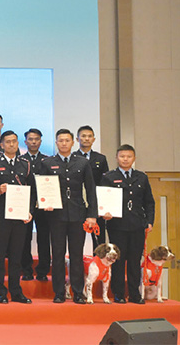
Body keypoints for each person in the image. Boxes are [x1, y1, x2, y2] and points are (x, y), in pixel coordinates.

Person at [38, 129, 97, 304]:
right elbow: (42, 186)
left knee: (76, 255)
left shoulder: (83, 163)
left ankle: (78, 292)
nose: (64, 143)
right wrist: (44, 203)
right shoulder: (48, 163)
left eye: (67, 140)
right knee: (57, 255)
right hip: (56, 215)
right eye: (60, 140)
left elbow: (91, 189)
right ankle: (59, 292)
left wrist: (92, 215)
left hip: (78, 214)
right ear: (56, 143)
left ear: (73, 142)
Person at [100, 144, 154, 304]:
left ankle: (134, 294)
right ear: (117, 158)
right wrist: (105, 214)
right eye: (122, 156)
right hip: (117, 225)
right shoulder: (108, 177)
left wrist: (149, 221)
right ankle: (118, 294)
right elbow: (103, 200)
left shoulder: (141, 177)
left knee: (134, 260)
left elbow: (149, 202)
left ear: (134, 158)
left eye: (129, 156)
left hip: (137, 224)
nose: (125, 159)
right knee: (117, 260)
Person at [0, 131, 34, 304]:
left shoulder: (25, 164)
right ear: (2, 145)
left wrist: (30, 210)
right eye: (8, 142)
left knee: (16, 255)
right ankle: (0, 292)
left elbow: (32, 191)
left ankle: (16, 291)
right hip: (0, 215)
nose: (11, 144)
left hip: (20, 216)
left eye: (14, 141)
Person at [21, 128, 49, 281]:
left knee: (44, 238)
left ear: (40, 141)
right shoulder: (20, 161)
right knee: (24, 238)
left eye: (36, 139)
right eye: (30, 139)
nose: (33, 142)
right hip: (24, 204)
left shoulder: (47, 161)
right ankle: (26, 270)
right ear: (25, 142)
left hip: (44, 205)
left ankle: (43, 271)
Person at [77, 125, 110, 246]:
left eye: (89, 136)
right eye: (83, 136)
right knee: (77, 238)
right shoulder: (73, 158)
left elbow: (105, 182)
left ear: (94, 139)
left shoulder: (100, 158)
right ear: (77, 139)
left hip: (96, 203)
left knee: (99, 238)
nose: (86, 139)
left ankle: (99, 263)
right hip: (78, 202)